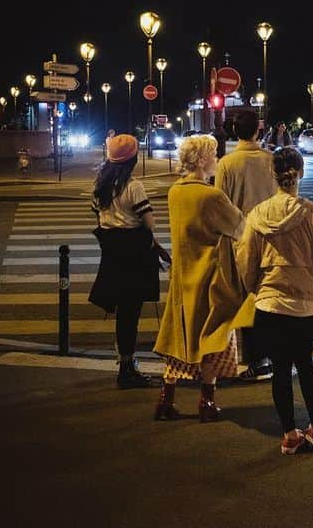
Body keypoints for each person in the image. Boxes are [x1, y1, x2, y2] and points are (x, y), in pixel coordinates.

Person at [236, 146, 313, 454]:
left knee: (280, 369)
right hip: (307, 305)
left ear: (273, 175)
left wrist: (256, 287)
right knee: (306, 364)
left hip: (270, 304)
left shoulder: (257, 214)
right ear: (301, 173)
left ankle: (290, 434)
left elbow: (245, 260)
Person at [153, 135, 254, 421]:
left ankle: (165, 399)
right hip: (210, 276)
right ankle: (206, 402)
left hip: (182, 275)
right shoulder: (210, 196)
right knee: (211, 338)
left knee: (180, 339)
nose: (217, 159)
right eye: (213, 154)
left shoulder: (176, 191)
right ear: (201, 160)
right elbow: (239, 227)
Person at [88, 134, 166, 389]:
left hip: (112, 251)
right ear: (133, 159)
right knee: (130, 312)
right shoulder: (134, 186)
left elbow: (96, 214)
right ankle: (126, 368)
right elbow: (148, 221)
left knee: (123, 310)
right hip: (134, 251)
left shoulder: (100, 184)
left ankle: (125, 363)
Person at [216, 110, 279, 381]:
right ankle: (273, 355)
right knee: (268, 297)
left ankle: (256, 359)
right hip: (270, 239)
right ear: (258, 131)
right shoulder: (270, 161)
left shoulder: (227, 164)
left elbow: (220, 204)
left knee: (247, 299)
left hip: (241, 240)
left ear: (233, 131)